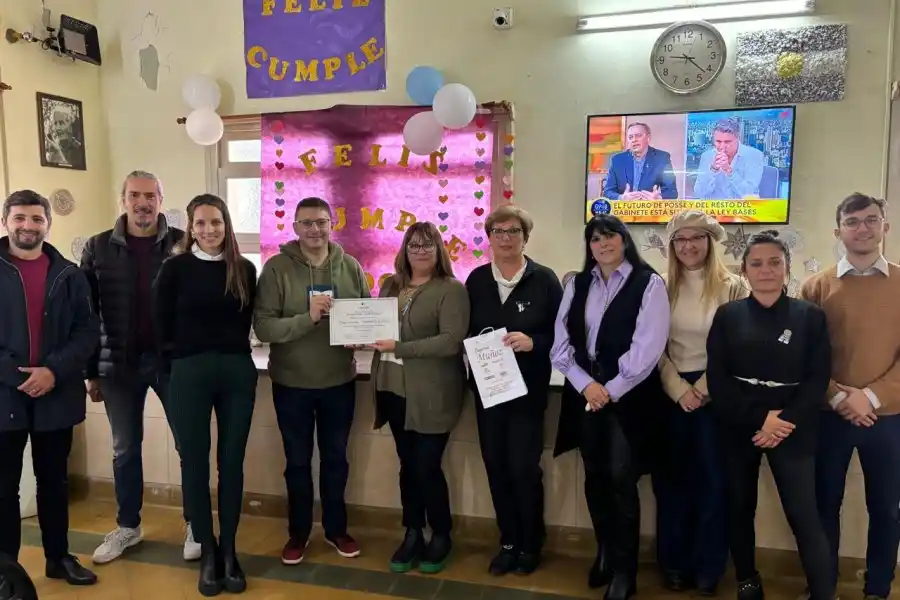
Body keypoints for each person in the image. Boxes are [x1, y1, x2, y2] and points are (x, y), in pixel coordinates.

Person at [706, 230, 835, 600]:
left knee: (803, 513)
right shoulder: (728, 316)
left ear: (786, 267)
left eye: (775, 262)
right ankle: (747, 581)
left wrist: (783, 421)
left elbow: (818, 378)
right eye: (757, 263)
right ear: (744, 270)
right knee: (739, 507)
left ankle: (823, 591)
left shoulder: (810, 316)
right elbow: (718, 379)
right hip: (740, 425)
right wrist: (761, 419)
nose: (766, 270)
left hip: (794, 426)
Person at [551, 214, 670, 600]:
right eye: (595, 239)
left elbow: (647, 350)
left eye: (610, 237)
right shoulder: (577, 283)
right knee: (594, 476)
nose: (603, 245)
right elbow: (560, 345)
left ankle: (624, 570)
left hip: (629, 398)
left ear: (624, 240)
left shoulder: (649, 283)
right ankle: (604, 550)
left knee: (621, 480)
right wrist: (587, 386)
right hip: (585, 394)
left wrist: (609, 390)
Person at [81, 171, 197, 565]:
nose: (142, 203)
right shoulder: (98, 247)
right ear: (123, 199)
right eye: (135, 195)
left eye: (150, 195)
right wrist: (90, 371)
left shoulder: (183, 243)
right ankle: (128, 527)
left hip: (172, 363)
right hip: (118, 365)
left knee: (188, 444)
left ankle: (195, 522)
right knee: (125, 448)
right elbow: (87, 314)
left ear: (161, 199)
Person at [254, 197, 369, 565]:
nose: (315, 229)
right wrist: (308, 319)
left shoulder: (350, 266)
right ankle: (298, 533)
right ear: (295, 228)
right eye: (307, 223)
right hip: (292, 384)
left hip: (339, 382)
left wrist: (361, 336)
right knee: (297, 462)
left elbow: (366, 314)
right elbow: (264, 327)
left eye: (321, 222)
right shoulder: (276, 269)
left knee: (336, 460)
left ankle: (336, 530)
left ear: (331, 224)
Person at [154, 195, 258, 596]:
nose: (209, 230)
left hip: (236, 373)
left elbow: (248, 324)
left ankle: (229, 549)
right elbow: (160, 325)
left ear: (226, 225)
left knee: (231, 463)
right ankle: (208, 551)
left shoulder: (244, 269)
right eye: (200, 223)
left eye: (216, 222)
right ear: (191, 228)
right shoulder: (175, 268)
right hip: (188, 373)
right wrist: (172, 374)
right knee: (194, 463)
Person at [800, 193, 900, 600]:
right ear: (837, 231)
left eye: (871, 220)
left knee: (887, 508)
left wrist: (870, 397)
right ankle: (822, 588)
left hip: (889, 417)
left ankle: (877, 589)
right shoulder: (815, 286)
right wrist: (839, 398)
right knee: (824, 504)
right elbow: (805, 357)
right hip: (830, 415)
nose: (863, 228)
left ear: (884, 227)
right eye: (853, 221)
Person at [0, 190, 100, 593]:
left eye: (36, 219)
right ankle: (5, 570)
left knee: (54, 483)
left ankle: (58, 558)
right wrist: (17, 375)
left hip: (56, 394)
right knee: (3, 489)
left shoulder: (69, 274)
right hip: (4, 395)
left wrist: (53, 371)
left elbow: (87, 331)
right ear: (6, 222)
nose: (28, 226)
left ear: (48, 224)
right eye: (20, 218)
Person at [465, 205, 563, 576]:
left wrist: (535, 342)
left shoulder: (545, 280)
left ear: (525, 237)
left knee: (524, 468)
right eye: (499, 231)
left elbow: (563, 335)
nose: (506, 238)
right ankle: (508, 542)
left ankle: (530, 543)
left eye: (514, 231)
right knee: (496, 466)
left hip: (527, 393)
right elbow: (464, 329)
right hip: (488, 392)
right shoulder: (476, 280)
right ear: (489, 238)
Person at [655, 210, 746, 595]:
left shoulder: (734, 287)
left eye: (696, 238)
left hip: (717, 394)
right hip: (671, 393)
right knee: (672, 483)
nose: (688, 246)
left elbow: (740, 344)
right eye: (681, 239)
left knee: (714, 483)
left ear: (710, 242)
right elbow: (650, 346)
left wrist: (704, 389)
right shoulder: (659, 288)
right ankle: (674, 563)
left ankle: (709, 566)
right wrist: (679, 389)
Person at [370, 222, 469, 575]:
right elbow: (374, 326)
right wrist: (357, 335)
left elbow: (451, 341)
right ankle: (412, 531)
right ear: (405, 250)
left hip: (433, 393)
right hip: (392, 388)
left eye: (428, 245)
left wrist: (400, 348)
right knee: (408, 465)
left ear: (439, 250)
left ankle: (441, 533)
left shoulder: (451, 290)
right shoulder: (390, 285)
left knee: (426, 466)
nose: (421, 251)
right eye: (414, 245)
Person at [693, 117, 767, 200]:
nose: (722, 147)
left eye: (727, 142)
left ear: (737, 138)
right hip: (716, 207)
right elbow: (699, 193)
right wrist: (713, 170)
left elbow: (749, 193)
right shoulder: (707, 156)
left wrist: (729, 172)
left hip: (745, 207)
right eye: (718, 141)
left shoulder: (754, 156)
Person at [603, 122, 678, 201]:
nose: (634, 140)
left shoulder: (662, 158)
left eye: (638, 136)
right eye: (630, 137)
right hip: (623, 208)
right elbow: (607, 192)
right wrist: (621, 198)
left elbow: (671, 191)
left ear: (648, 138)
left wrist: (658, 198)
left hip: (649, 207)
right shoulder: (617, 160)